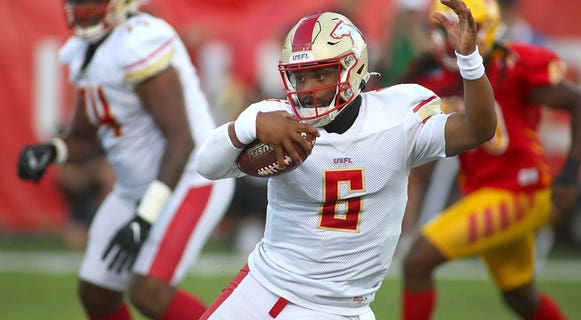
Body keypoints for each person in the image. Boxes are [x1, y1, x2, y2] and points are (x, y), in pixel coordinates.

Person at [195, 0, 496, 318]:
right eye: (300, 77)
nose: (307, 89)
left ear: (353, 69)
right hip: (267, 290)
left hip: (344, 310)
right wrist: (247, 126)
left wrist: (469, 60)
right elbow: (206, 165)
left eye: (320, 75)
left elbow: (478, 129)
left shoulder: (397, 117)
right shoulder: (274, 119)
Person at [16, 1, 235, 319]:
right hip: (137, 186)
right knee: (97, 292)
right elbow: (84, 137)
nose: (80, 7)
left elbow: (180, 141)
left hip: (190, 179)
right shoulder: (83, 51)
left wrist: (145, 218)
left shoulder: (139, 42)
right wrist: (51, 151)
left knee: (150, 293)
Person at [401, 0, 581, 319]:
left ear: (484, 30)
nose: (450, 37)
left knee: (417, 260)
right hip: (485, 191)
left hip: (519, 190)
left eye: (463, 28)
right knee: (519, 296)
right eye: (441, 29)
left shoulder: (513, 62)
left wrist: (570, 173)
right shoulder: (431, 76)